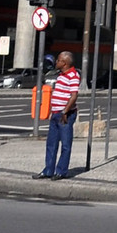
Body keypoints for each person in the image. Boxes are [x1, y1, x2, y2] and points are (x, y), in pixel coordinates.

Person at [39, 51, 82, 179]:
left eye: (58, 60)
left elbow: (74, 96)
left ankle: (61, 171)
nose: (56, 62)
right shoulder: (61, 75)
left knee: (65, 144)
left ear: (64, 63)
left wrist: (65, 111)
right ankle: (48, 170)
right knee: (51, 143)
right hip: (56, 114)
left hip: (65, 115)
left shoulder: (73, 76)